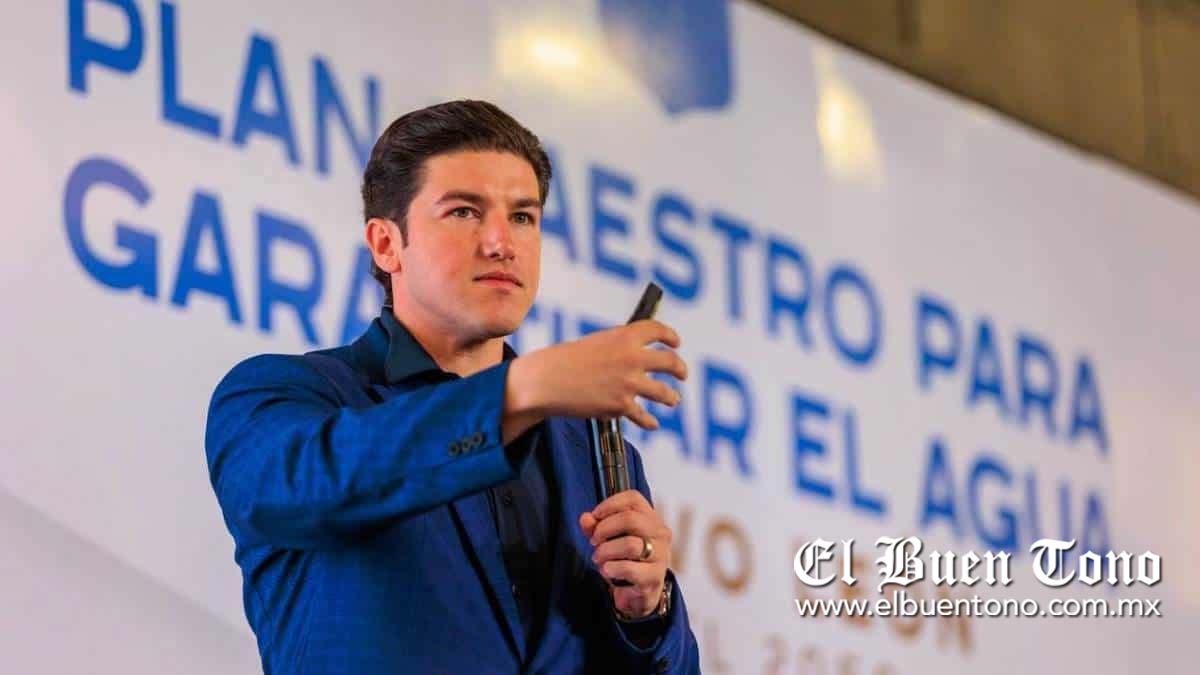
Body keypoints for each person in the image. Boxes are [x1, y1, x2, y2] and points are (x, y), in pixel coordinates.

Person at [205, 100, 701, 674]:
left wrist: (646, 613)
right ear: (386, 244)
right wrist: (524, 388)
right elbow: (301, 488)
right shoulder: (284, 395)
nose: (501, 243)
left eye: (523, 216)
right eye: (464, 211)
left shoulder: (593, 453)